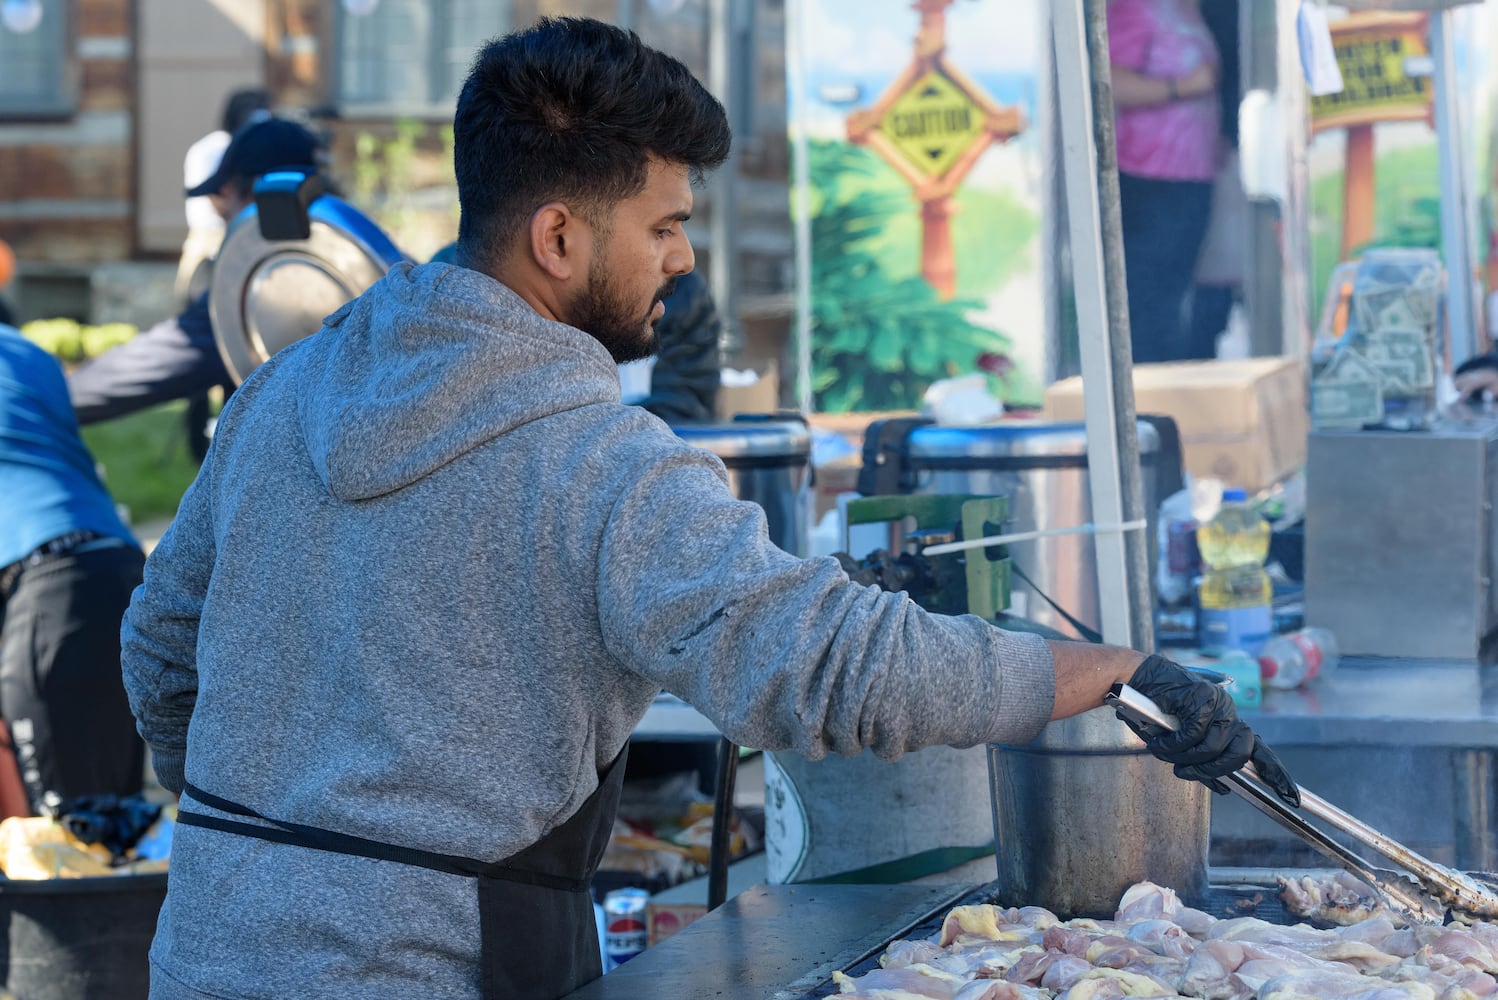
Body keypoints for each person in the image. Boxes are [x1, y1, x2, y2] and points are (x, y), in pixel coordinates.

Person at [121, 18, 1297, 1000]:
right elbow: (825, 664)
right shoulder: (597, 460)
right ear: (559, 235)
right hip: (430, 970)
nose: (683, 259)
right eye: (666, 225)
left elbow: (160, 646)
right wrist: (1099, 669)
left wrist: (255, 842)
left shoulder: (279, 395)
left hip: (206, 950)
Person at [67, 117, 322, 459]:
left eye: (224, 206)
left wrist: (40, 395)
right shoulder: (359, 262)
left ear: (239, 192)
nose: (225, 221)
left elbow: (155, 362)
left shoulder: (262, 286)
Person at [0, 325, 146, 817]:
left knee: (63, 841)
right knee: (113, 825)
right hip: (118, 571)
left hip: (45, 584)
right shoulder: (25, 350)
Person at [1107, 0, 1222, 363]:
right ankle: (1145, 405)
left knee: (1174, 300)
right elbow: (1110, 82)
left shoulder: (1186, 8)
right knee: (1151, 306)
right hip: (1151, 176)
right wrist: (1183, 87)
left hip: (1191, 175)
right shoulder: (1133, 7)